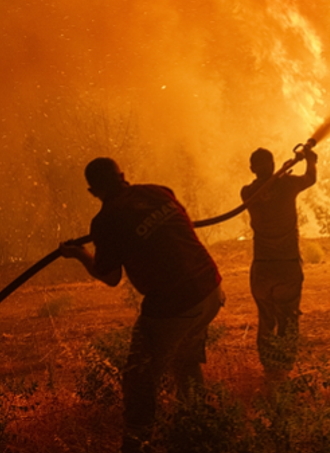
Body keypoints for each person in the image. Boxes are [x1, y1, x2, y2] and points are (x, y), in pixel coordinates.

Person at [60, 157, 223, 453]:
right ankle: (202, 433)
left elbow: (110, 277)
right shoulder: (159, 191)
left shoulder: (106, 220)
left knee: (138, 377)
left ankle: (137, 443)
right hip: (211, 289)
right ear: (122, 175)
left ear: (92, 190)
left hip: (174, 304)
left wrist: (80, 254)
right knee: (185, 361)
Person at [240, 146, 317, 382]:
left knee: (266, 318)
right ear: (272, 165)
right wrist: (310, 161)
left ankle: (269, 371)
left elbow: (266, 190)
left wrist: (283, 174)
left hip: (262, 268)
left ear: (253, 169)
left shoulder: (246, 192)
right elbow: (310, 178)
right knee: (288, 317)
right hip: (287, 266)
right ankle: (283, 370)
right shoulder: (287, 184)